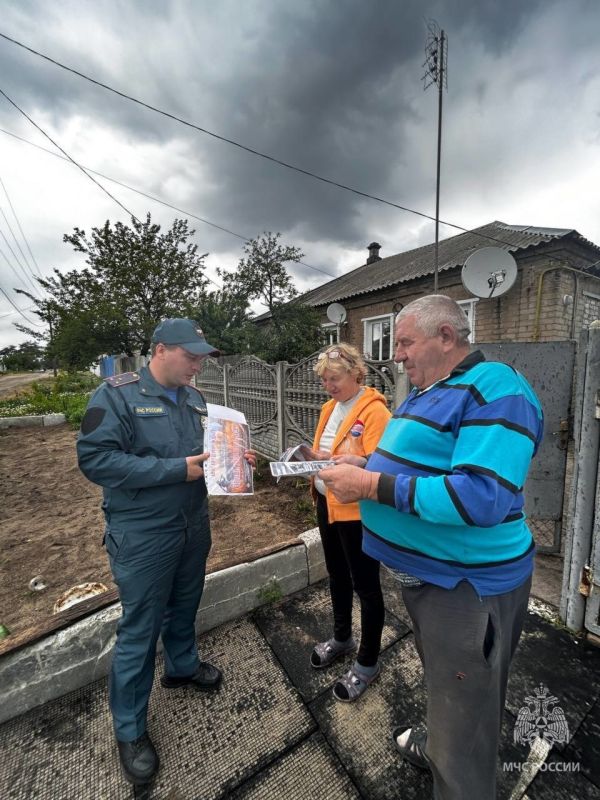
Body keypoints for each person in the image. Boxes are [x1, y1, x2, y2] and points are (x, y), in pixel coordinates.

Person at [318, 296, 543, 799]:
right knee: (450, 689)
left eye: (404, 342)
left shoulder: (497, 388)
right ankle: (440, 745)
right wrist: (365, 463)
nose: (396, 355)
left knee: (467, 708)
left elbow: (481, 497)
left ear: (446, 336)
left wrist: (370, 486)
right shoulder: (429, 390)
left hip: (468, 589)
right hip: (431, 582)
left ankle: (457, 773)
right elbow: (416, 463)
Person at [77, 318, 255, 786]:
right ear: (160, 350)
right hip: (143, 532)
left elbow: (209, 456)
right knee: (141, 625)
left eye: (202, 357)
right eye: (191, 355)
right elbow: (95, 460)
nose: (198, 364)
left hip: (192, 525)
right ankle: (130, 730)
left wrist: (236, 459)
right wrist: (176, 471)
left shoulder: (196, 399)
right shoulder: (116, 395)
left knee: (185, 602)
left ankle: (181, 667)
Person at [309, 343, 391, 701]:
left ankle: (368, 662)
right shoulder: (329, 408)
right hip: (327, 503)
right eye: (325, 380)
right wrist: (308, 459)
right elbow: (328, 453)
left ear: (357, 374)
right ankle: (342, 638)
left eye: (335, 378)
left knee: (366, 585)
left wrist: (350, 460)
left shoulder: (375, 412)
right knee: (337, 575)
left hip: (356, 512)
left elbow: (382, 464)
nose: (329, 385)